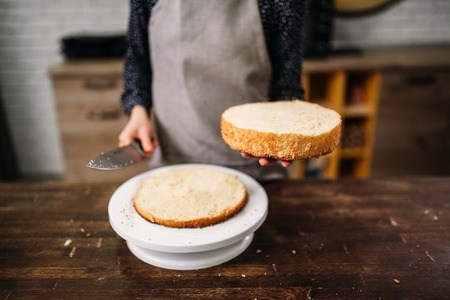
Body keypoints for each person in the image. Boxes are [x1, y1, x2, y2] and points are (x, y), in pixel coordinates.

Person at [118, 0, 309, 181]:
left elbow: (286, 83)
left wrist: (286, 134)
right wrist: (138, 111)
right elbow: (137, 56)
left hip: (256, 168)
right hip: (174, 165)